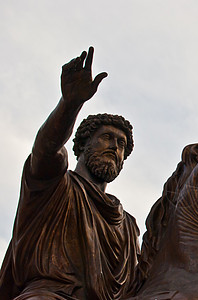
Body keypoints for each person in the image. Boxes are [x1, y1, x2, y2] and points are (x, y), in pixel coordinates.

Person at [0, 47, 140, 299]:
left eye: (121, 145)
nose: (114, 147)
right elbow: (46, 150)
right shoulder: (53, 186)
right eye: (107, 138)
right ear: (82, 146)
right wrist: (70, 104)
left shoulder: (127, 225)